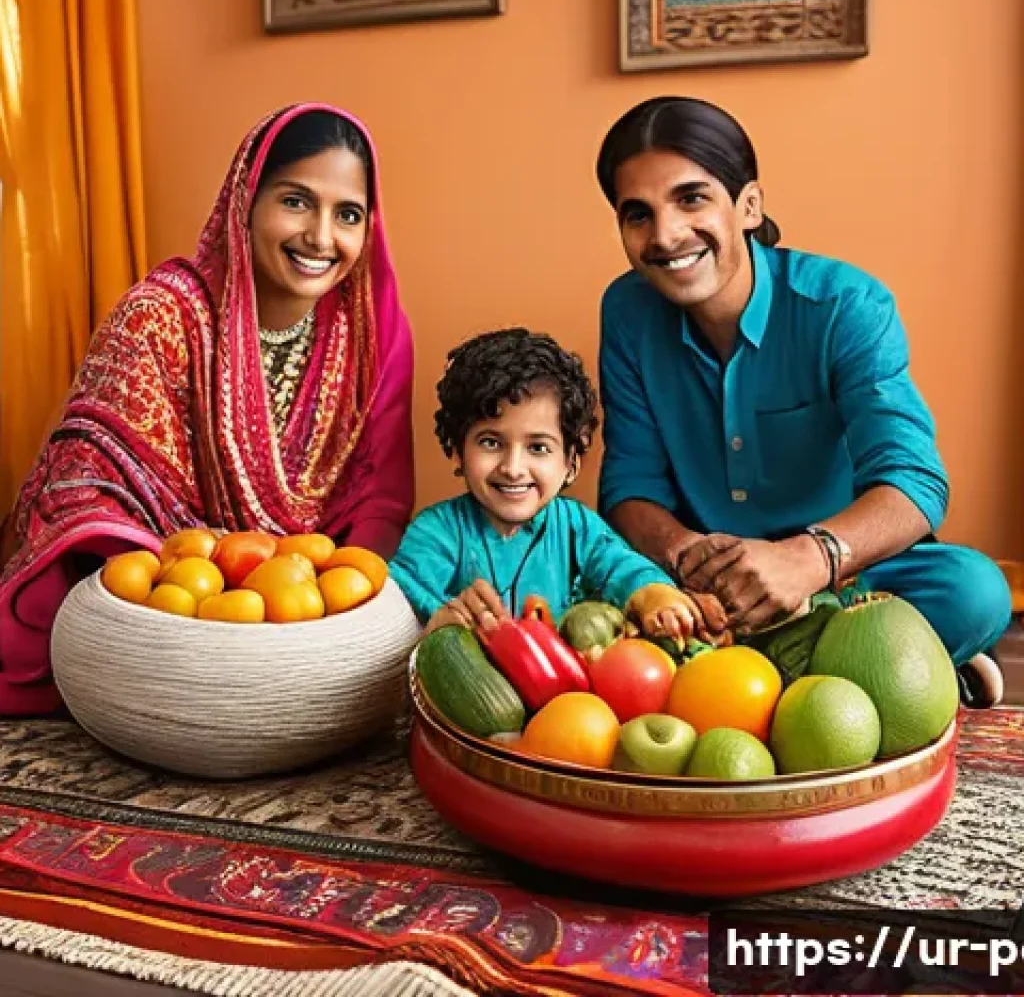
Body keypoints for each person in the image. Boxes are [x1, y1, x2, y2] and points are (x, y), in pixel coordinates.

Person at [594, 96, 1011, 707]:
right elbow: (629, 484)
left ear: (748, 205)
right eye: (638, 214)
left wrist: (810, 560)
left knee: (974, 591)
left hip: (846, 574)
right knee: (586, 602)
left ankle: (737, 688)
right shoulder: (627, 311)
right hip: (705, 584)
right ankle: (886, 672)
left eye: (691, 198)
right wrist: (683, 551)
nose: (665, 236)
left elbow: (915, 483)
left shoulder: (845, 305)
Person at [0, 103, 414, 715]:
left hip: (298, 613)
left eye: (347, 214)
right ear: (243, 205)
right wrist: (201, 579)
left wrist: (341, 607)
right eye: (296, 201)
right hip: (158, 597)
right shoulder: (159, 316)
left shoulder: (373, 337)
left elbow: (379, 501)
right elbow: (88, 491)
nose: (321, 237)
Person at [389, 329, 699, 639]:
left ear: (571, 461)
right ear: (458, 451)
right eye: (490, 442)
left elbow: (621, 567)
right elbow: (399, 601)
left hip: (567, 684)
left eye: (538, 447)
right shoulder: (438, 532)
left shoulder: (577, 527)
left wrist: (655, 594)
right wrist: (441, 619)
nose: (512, 468)